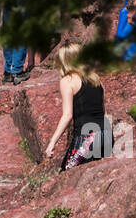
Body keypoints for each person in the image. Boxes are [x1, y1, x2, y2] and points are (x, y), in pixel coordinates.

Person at [44, 42, 110, 171]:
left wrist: (52, 142)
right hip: (104, 135)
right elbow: (105, 113)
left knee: (67, 172)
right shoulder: (96, 79)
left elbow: (67, 115)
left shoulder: (67, 81)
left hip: (87, 138)